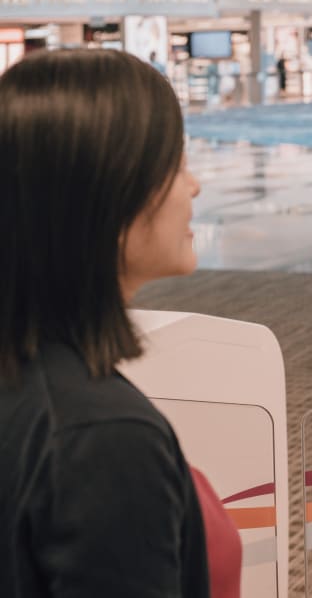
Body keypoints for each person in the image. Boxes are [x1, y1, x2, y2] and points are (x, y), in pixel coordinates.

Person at [0, 49, 240, 597]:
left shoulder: (37, 382)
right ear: (106, 197)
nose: (195, 185)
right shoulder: (100, 439)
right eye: (175, 164)